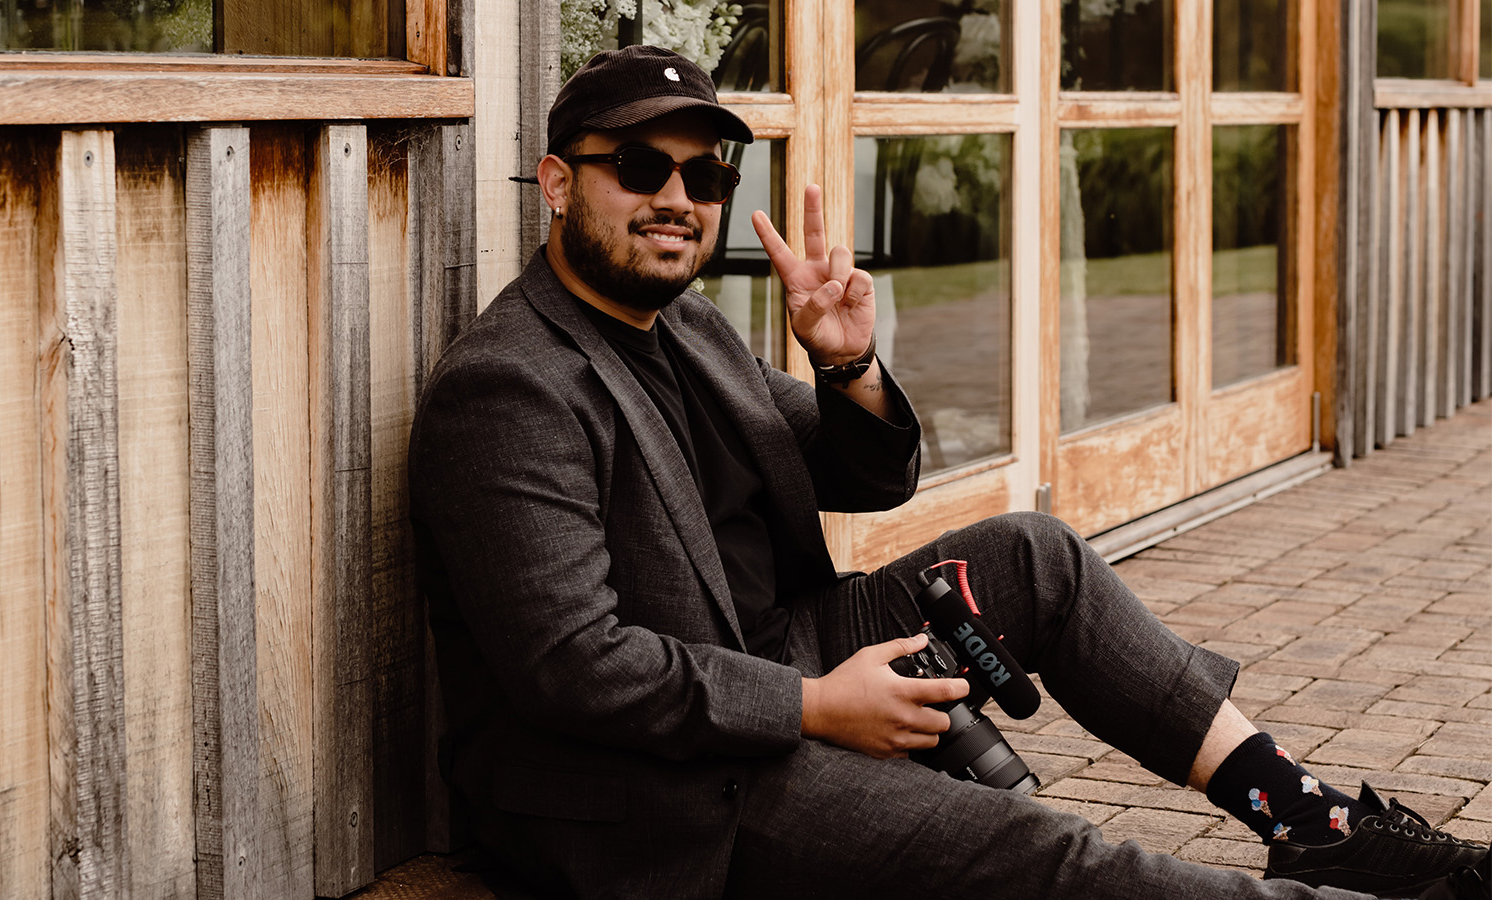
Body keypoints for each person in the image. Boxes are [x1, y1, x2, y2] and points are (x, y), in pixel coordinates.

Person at [408, 45, 1488, 900]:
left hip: (774, 649)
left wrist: (847, 366)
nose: (677, 197)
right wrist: (814, 707)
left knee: (1036, 556)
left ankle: (1306, 821)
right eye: (640, 167)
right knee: (1028, 847)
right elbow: (575, 667)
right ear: (559, 182)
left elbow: (864, 475)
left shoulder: (685, 326)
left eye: (705, 174)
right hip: (644, 786)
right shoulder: (510, 387)